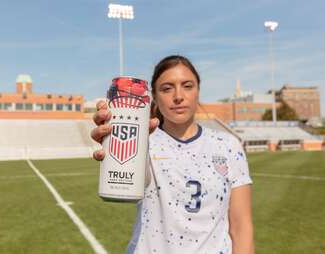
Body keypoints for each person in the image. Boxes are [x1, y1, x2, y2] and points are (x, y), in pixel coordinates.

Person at [91, 55, 254, 254]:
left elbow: (241, 227)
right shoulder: (144, 142)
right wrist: (115, 140)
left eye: (187, 86)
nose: (178, 96)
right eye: (167, 88)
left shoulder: (228, 145)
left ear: (198, 91)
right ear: (155, 98)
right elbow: (131, 184)